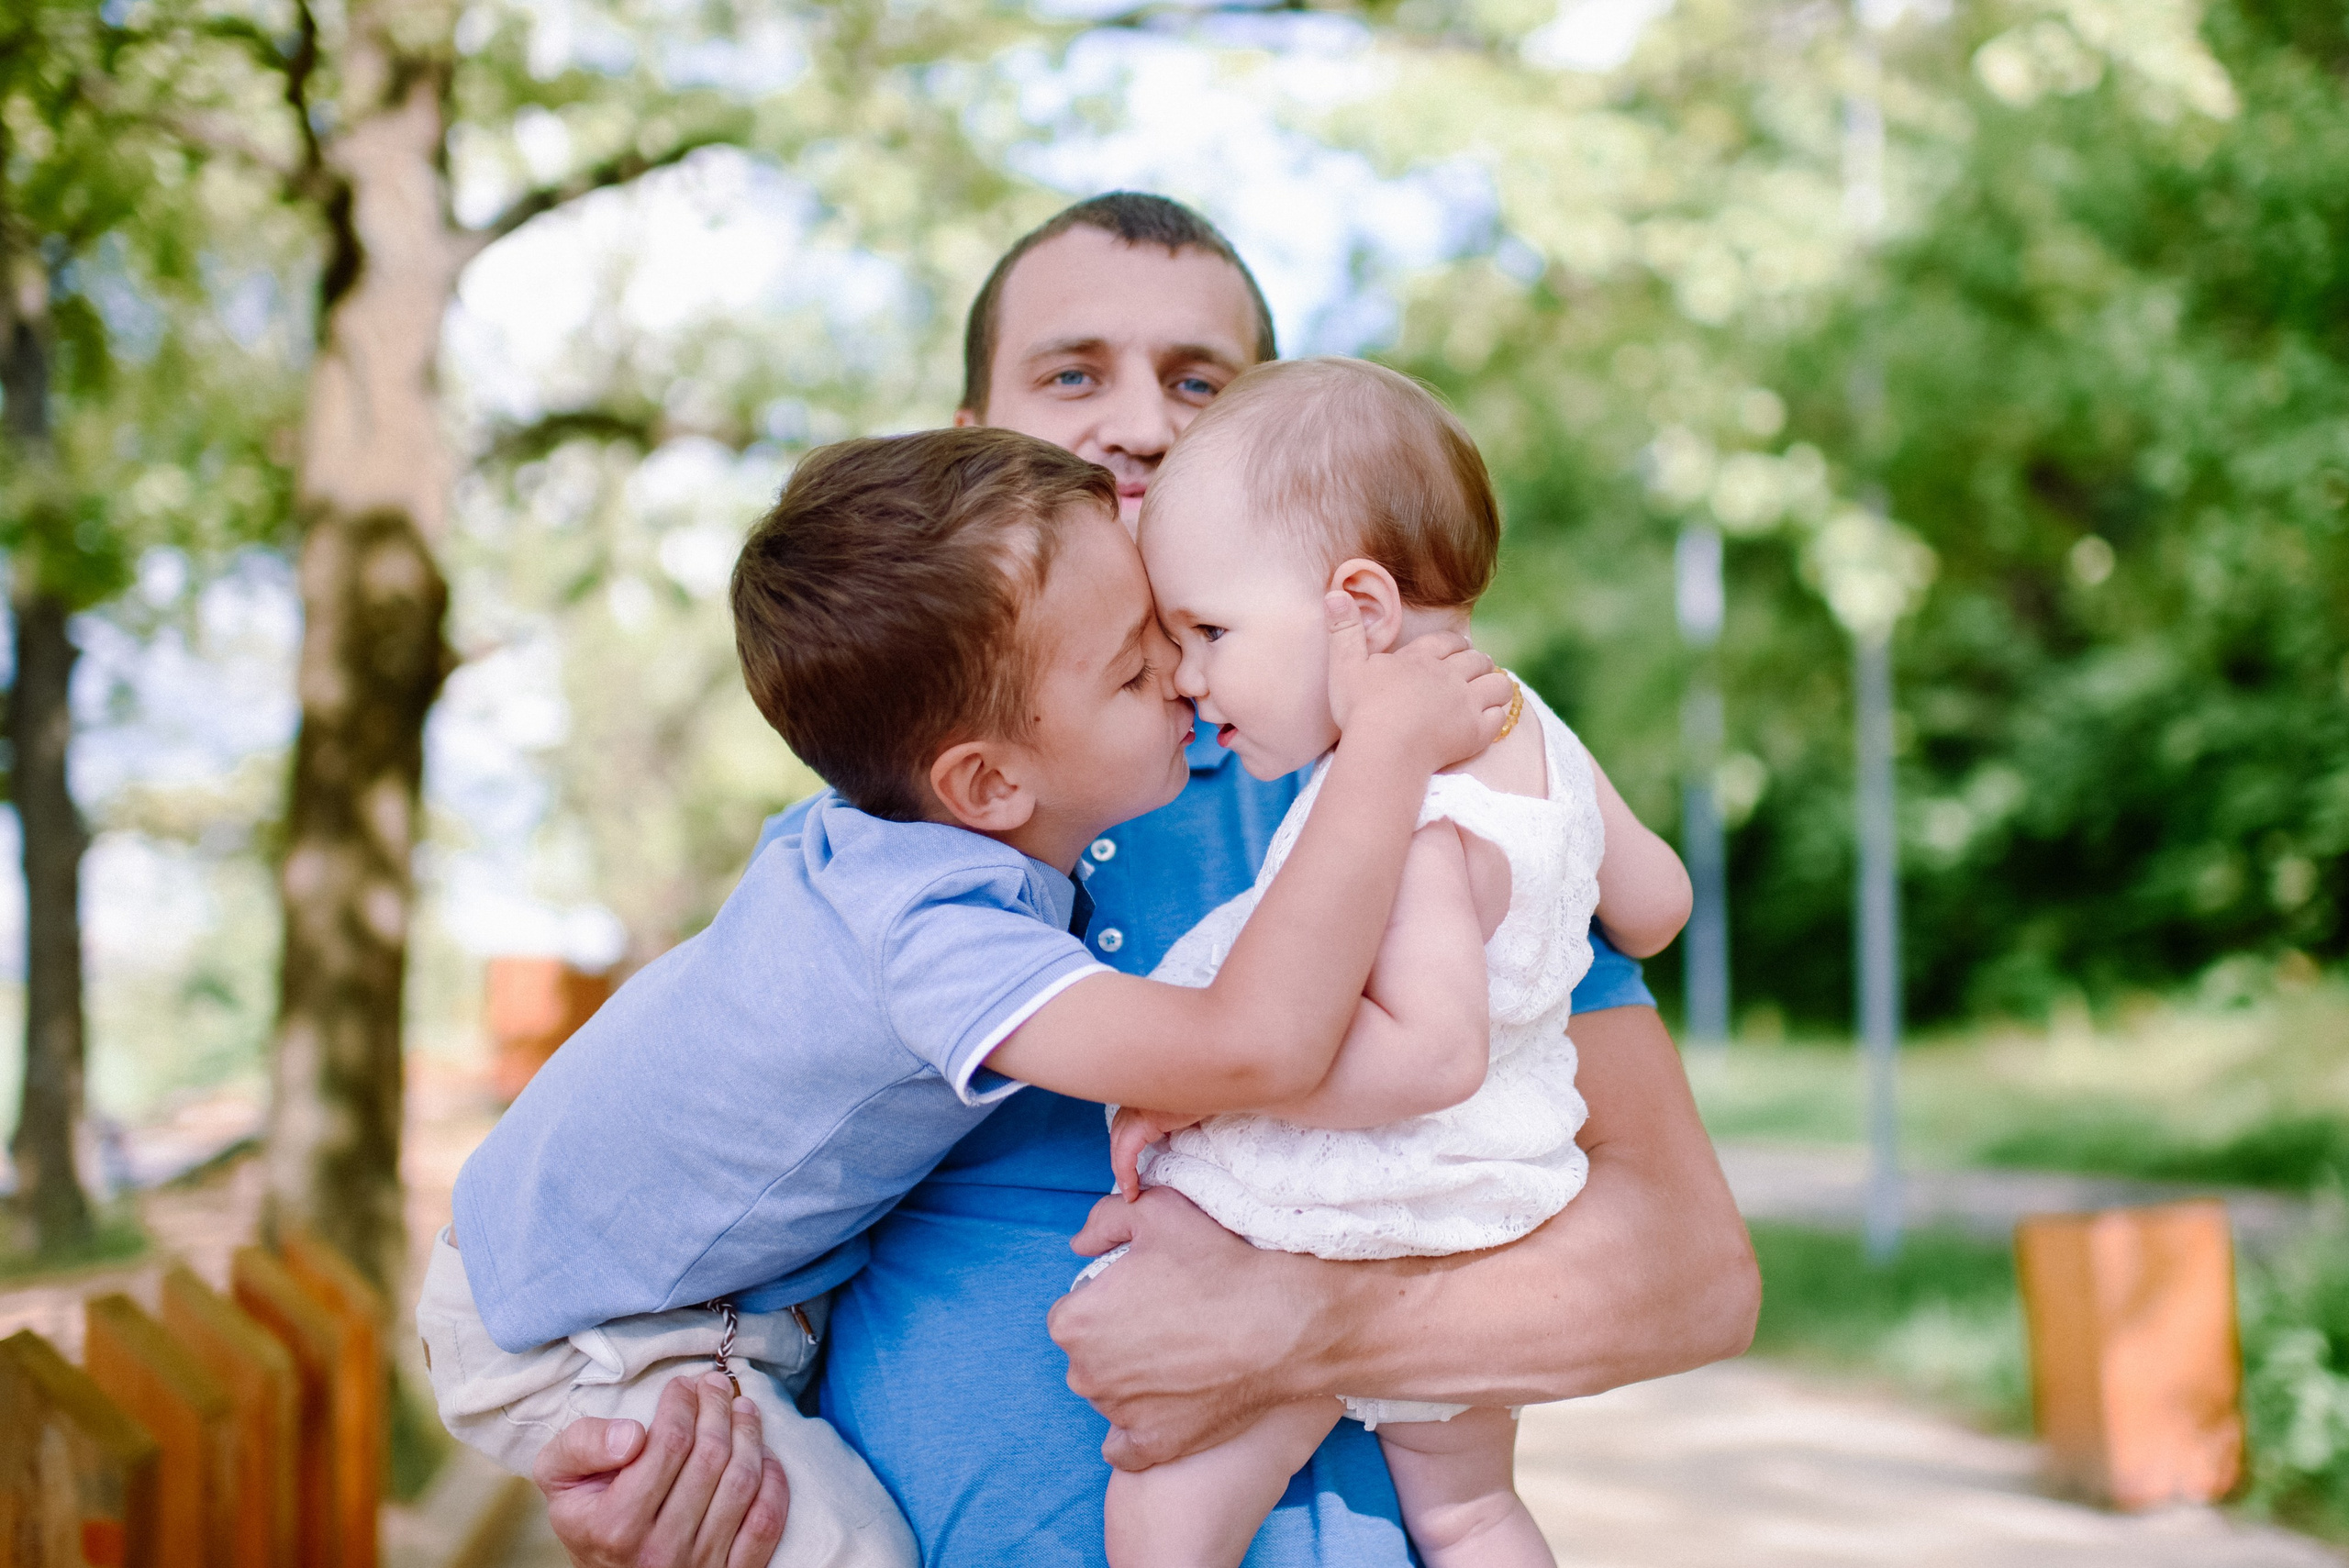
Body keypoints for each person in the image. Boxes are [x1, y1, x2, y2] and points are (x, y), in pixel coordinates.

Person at [531, 193, 1760, 1568]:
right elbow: (708, 1260)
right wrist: (660, 1470)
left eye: (1200, 381)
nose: (1137, 420)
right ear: (968, 448)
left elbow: (1696, 1276)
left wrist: (1311, 1324)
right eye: (1072, 374)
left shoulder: (1414, 784)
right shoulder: (871, 856)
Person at [423, 426, 1513, 1566]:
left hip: (633, 1274)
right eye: (1139, 670)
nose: (1186, 677)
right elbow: (1255, 1047)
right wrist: (1388, 751)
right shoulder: (928, 933)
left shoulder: (886, 842)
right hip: (587, 1331)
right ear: (987, 781)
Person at [1089, 356, 1693, 1568]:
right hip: (1496, 1192)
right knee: (1470, 1512)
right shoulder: (1532, 724)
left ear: (1358, 608)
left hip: (1365, 1206)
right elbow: (1659, 904)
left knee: (1163, 1512)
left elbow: (1428, 1053)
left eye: (1210, 631)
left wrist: (1204, 1080)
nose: (1195, 680)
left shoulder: (1407, 815)